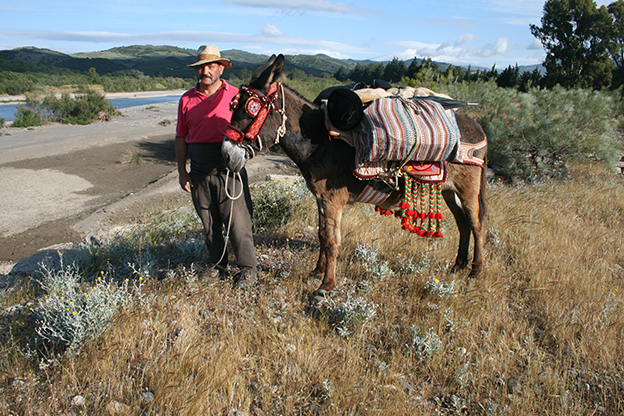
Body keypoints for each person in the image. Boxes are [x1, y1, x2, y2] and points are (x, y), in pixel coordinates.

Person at [175, 45, 257, 287]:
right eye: (201, 67)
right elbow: (181, 137)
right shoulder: (186, 99)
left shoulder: (236, 96)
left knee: (238, 224)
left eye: (211, 66)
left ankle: (248, 270)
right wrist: (182, 171)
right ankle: (218, 266)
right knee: (210, 225)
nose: (205, 71)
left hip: (228, 170)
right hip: (199, 171)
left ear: (221, 68)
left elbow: (250, 131)